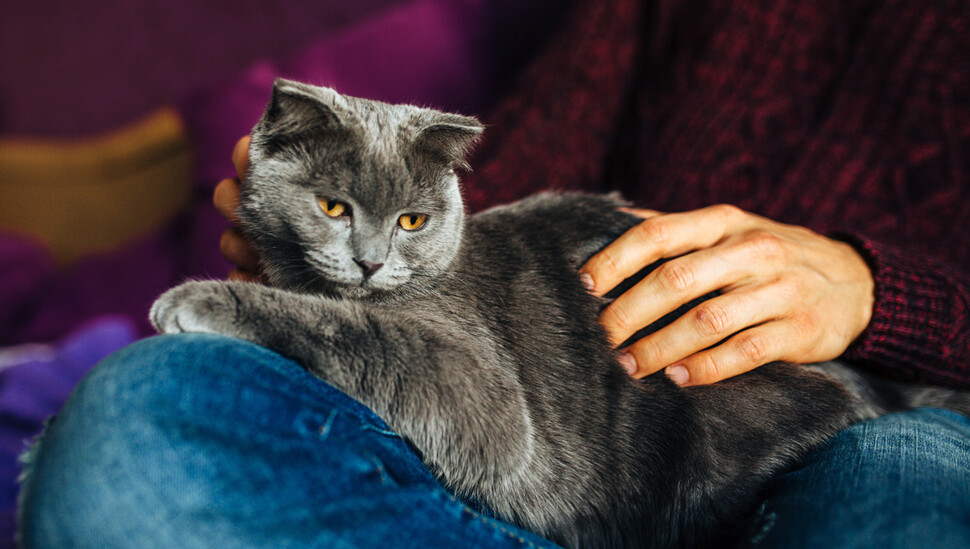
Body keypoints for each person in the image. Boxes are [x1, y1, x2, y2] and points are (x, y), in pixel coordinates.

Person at [19, 0, 970, 547]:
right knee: (137, 424)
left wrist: (884, 295)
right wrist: (329, 269)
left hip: (882, 411)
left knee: (895, 487)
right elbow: (475, 190)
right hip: (549, 445)